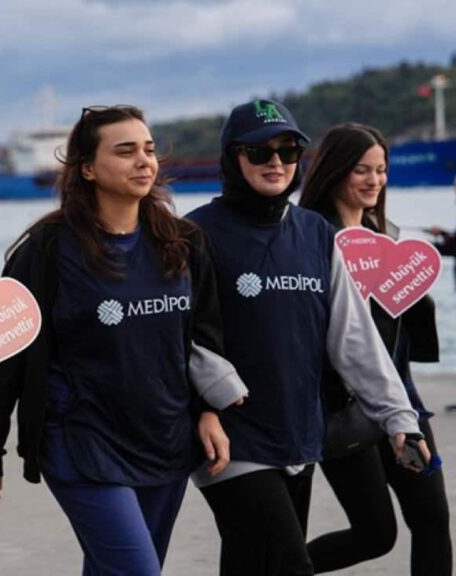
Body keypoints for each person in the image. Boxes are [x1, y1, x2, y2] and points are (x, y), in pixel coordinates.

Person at [0, 105, 247, 575]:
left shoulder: (182, 242)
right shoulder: (47, 251)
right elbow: (5, 354)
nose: (143, 161)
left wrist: (208, 411)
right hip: (82, 442)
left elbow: (203, 339)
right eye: (125, 151)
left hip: (164, 438)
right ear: (88, 169)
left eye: (149, 150)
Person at [185, 99, 429, 576]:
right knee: (290, 563)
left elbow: (354, 337)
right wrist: (210, 398)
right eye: (260, 152)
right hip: (232, 439)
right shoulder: (196, 233)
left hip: (299, 432)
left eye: (289, 150)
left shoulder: (316, 233)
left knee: (252, 565)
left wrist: (399, 418)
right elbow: (178, 334)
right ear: (233, 158)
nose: (276, 162)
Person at [298, 123, 451, 575]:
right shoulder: (309, 238)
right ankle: (277, 567)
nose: (374, 180)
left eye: (381, 169)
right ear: (335, 170)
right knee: (375, 535)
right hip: (344, 408)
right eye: (361, 169)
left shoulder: (386, 235)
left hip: (403, 399)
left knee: (432, 519)